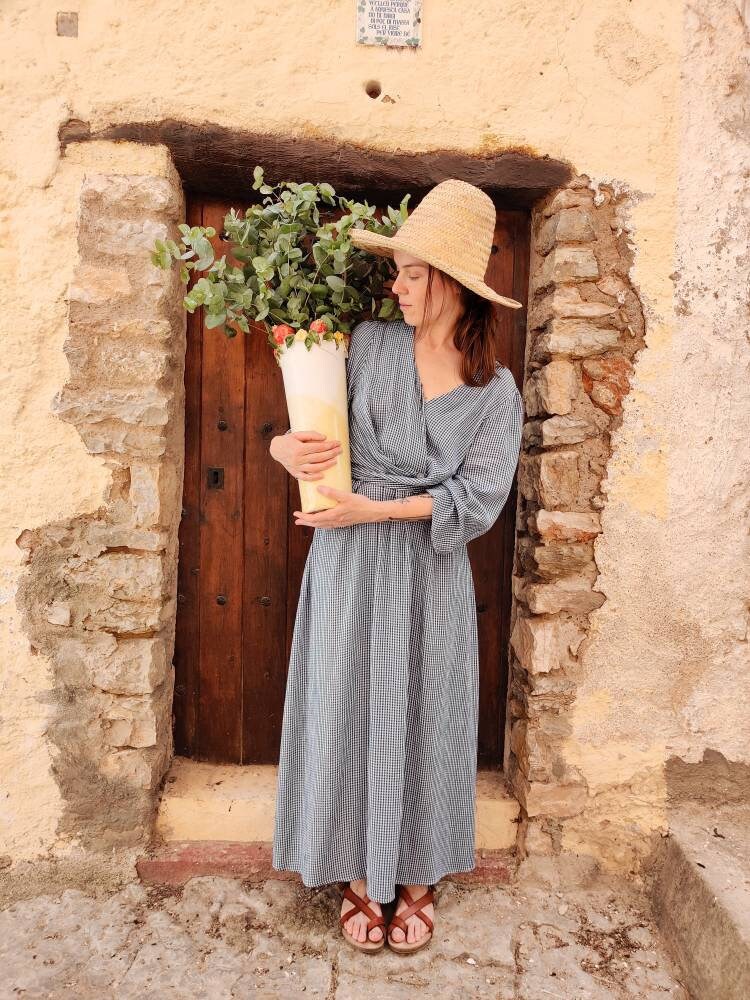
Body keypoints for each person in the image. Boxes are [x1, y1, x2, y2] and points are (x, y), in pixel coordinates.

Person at [268, 178, 525, 955]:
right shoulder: (368, 344)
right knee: (346, 702)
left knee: (425, 710)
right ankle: (352, 868)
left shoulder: (494, 391)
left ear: (451, 281)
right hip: (348, 562)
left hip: (427, 571)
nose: (399, 284)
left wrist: (373, 511)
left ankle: (414, 874)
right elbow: (311, 432)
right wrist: (284, 449)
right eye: (400, 270)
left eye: (414, 272)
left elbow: (477, 502)